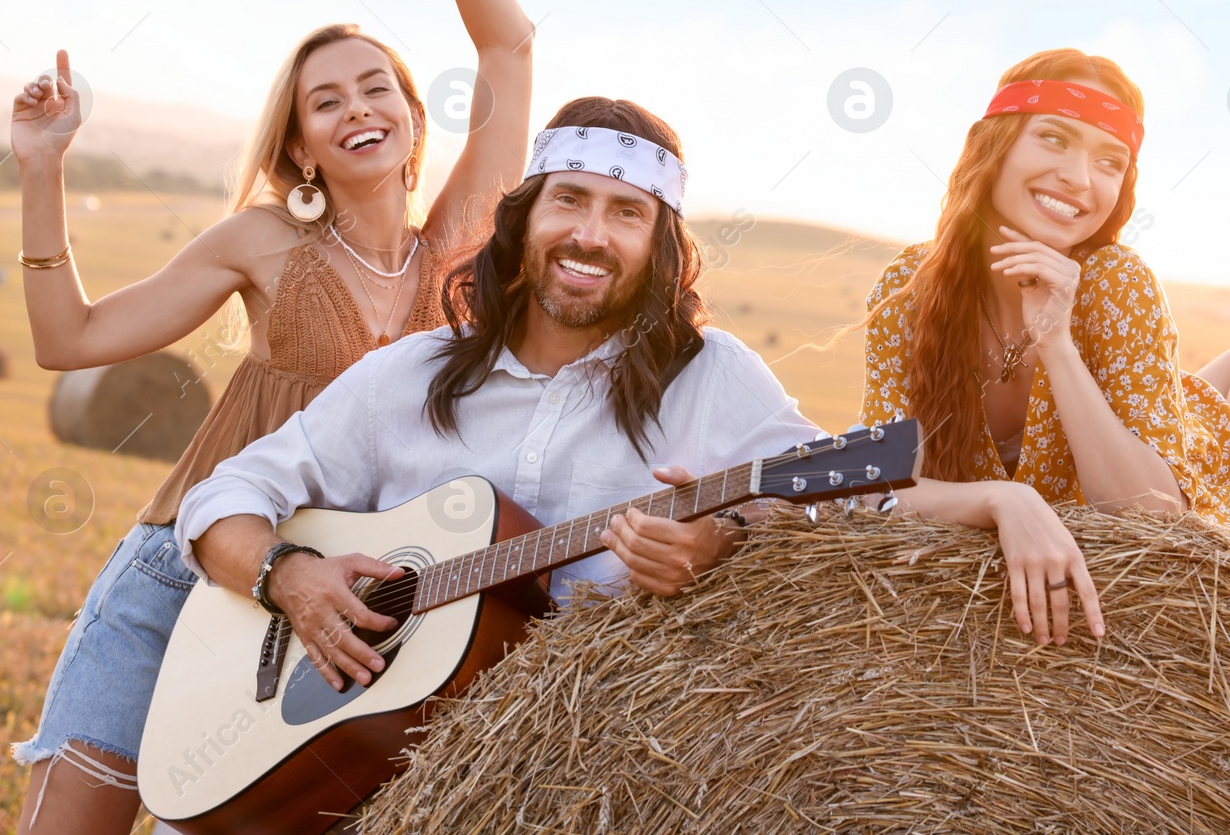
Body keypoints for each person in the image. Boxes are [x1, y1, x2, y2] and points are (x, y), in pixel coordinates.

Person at [9, 0, 535, 834]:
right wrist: (42, 169)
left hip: (339, 603)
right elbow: (66, 343)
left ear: (415, 121)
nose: (357, 109)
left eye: (375, 87)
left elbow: (508, 46)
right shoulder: (262, 242)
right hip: (184, 571)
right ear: (300, 149)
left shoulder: (456, 247)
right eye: (325, 103)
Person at [176, 98, 824, 694]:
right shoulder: (410, 373)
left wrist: (724, 538)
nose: (591, 235)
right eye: (569, 198)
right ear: (524, 218)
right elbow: (220, 498)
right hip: (376, 732)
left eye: (627, 212)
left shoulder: (710, 374)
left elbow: (837, 507)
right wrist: (288, 576)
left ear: (659, 245)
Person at [858, 47, 1230, 647]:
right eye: (1054, 139)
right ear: (993, 146)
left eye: (1109, 161)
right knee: (1178, 402)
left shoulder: (1118, 282)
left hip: (1198, 503)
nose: (1080, 179)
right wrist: (1003, 498)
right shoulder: (908, 289)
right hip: (1149, 427)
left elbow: (1152, 518)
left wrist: (1057, 343)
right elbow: (873, 489)